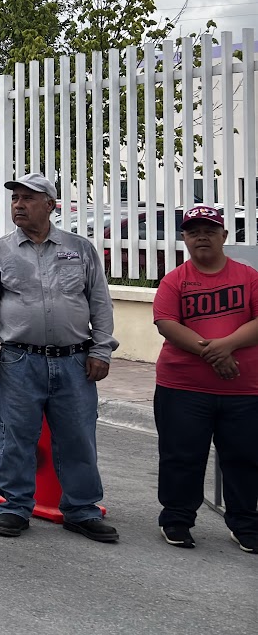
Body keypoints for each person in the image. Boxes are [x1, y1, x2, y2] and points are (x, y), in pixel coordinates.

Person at [0, 173, 119, 543]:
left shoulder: (80, 248)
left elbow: (99, 302)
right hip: (20, 361)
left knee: (78, 438)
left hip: (75, 362)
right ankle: (14, 506)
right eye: (15, 198)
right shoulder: (0, 251)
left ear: (50, 205)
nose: (18, 205)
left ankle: (82, 509)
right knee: (15, 436)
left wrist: (101, 350)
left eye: (27, 198)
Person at [149, 204, 258, 552]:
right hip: (182, 387)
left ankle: (245, 523)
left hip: (244, 389)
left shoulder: (248, 276)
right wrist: (214, 354)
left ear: (224, 236)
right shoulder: (174, 280)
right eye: (193, 231)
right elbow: (167, 323)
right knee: (181, 456)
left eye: (209, 230)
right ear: (183, 238)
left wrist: (225, 346)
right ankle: (177, 520)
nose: (201, 237)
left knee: (245, 457)